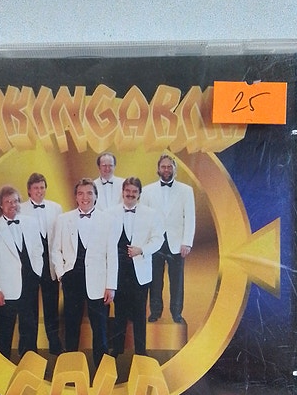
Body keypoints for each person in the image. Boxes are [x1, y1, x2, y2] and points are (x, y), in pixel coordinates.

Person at [51, 178, 118, 366]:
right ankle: (70, 369)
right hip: (72, 279)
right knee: (71, 327)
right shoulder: (63, 219)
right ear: (75, 197)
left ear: (96, 196)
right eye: (80, 193)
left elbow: (112, 255)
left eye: (89, 193)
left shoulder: (108, 220)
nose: (85, 197)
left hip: (98, 282)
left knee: (100, 329)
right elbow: (55, 250)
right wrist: (62, 274)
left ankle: (102, 370)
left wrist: (111, 286)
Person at [0, 185, 43, 359]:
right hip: (6, 289)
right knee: (4, 329)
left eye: (15, 201)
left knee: (30, 326)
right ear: (1, 205)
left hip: (29, 283)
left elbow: (38, 249)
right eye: (8, 202)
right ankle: (2, 364)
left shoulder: (31, 222)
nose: (12, 205)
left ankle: (30, 362)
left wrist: (37, 273)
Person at [109, 177, 163, 357]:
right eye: (128, 191)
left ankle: (141, 351)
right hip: (118, 271)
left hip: (140, 271)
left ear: (139, 194)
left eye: (134, 192)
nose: (131, 194)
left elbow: (158, 239)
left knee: (140, 313)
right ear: (122, 192)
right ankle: (117, 349)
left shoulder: (151, 214)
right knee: (119, 312)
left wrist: (142, 250)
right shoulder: (110, 213)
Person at [141, 152, 195, 324]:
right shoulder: (147, 191)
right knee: (155, 280)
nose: (166, 169)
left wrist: (187, 242)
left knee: (177, 281)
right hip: (155, 242)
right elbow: (143, 218)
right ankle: (155, 312)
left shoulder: (186, 190)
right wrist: (145, 244)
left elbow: (190, 218)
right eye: (163, 167)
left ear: (174, 169)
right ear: (158, 169)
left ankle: (176, 313)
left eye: (169, 167)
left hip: (177, 243)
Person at [21, 173, 63, 355]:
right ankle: (29, 347)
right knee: (29, 307)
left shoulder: (56, 208)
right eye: (36, 188)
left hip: (50, 263)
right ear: (29, 190)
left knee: (51, 306)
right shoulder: (20, 209)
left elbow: (60, 236)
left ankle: (55, 344)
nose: (39, 191)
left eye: (42, 187)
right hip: (29, 265)